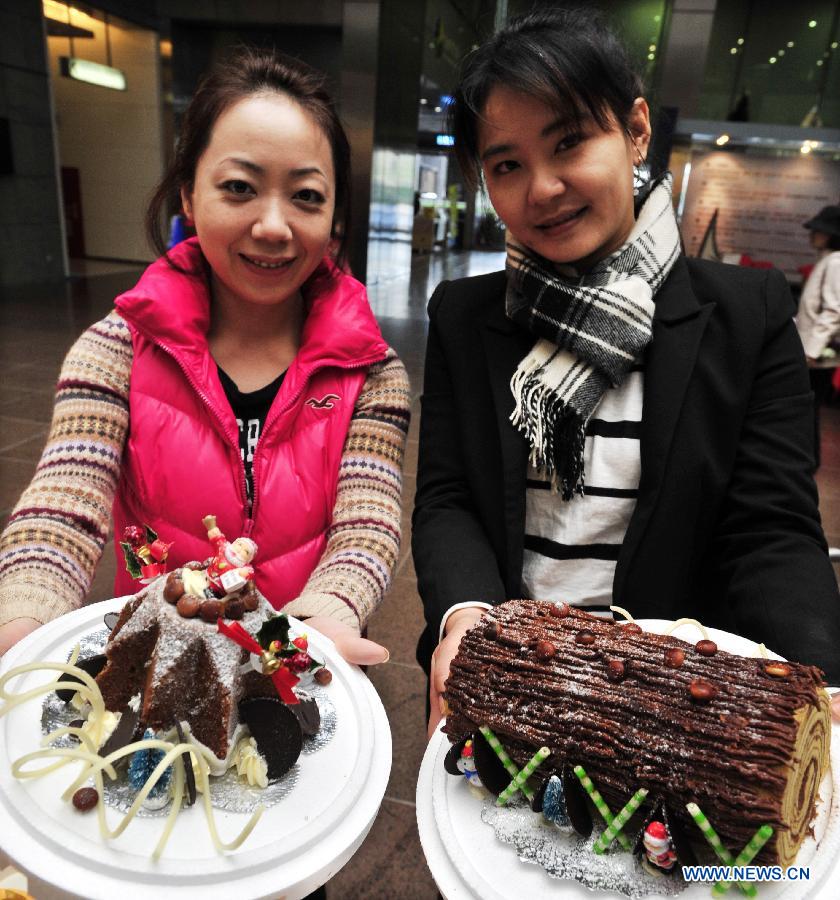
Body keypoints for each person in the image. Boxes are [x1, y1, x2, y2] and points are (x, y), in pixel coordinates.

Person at [412, 9, 840, 738]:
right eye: (506, 164)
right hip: (508, 668)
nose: (542, 188)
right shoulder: (465, 314)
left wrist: (818, 676)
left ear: (636, 130)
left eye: (569, 142)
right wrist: (466, 620)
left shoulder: (745, 315)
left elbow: (770, 527)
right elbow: (449, 496)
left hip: (673, 701)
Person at [0, 48, 410, 665]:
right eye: (239, 188)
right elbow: (64, 503)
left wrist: (323, 619)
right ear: (189, 195)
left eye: (306, 196)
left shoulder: (372, 373)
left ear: (334, 216)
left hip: (302, 663)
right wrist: (23, 616)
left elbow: (366, 523)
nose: (274, 225)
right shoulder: (115, 348)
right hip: (156, 662)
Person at [795, 204, 840, 469]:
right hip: (817, 352)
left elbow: (834, 309)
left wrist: (811, 350)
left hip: (816, 354)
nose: (813, 234)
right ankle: (807, 460)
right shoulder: (830, 260)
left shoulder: (835, 261)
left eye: (819, 230)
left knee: (808, 408)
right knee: (808, 408)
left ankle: (807, 461)